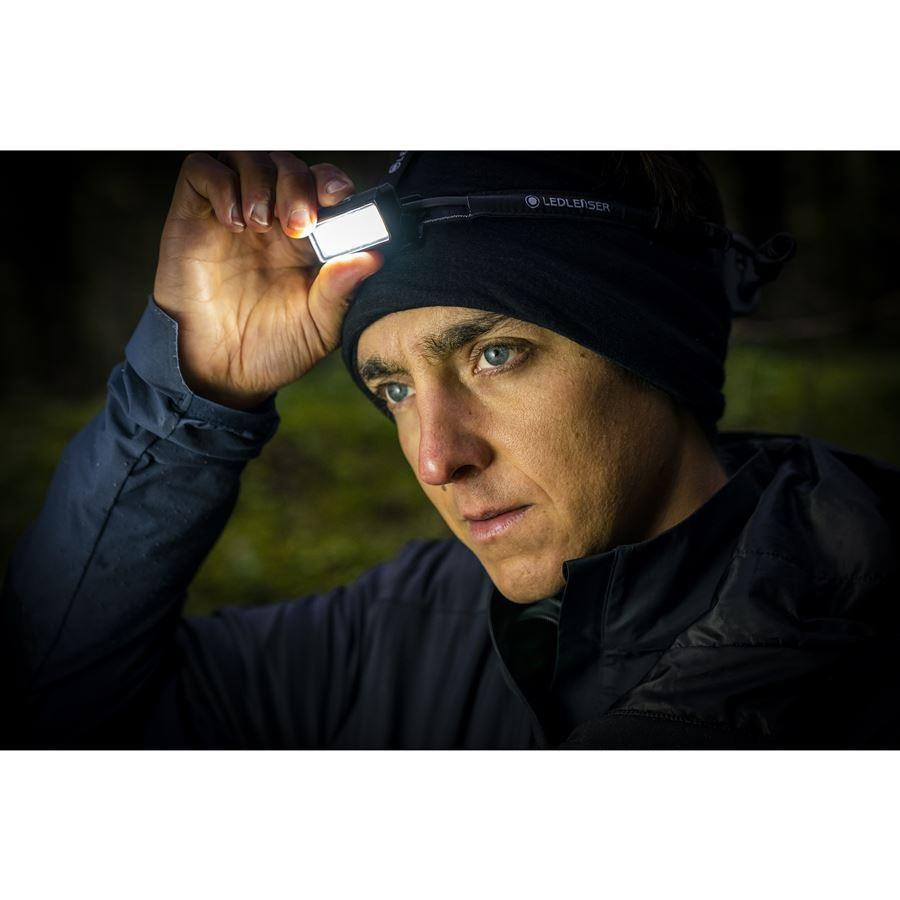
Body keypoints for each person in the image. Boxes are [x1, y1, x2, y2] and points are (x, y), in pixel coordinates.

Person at [4, 151, 899, 749]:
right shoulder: (392, 636)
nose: (436, 459)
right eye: (394, 389)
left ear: (654, 348)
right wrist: (195, 389)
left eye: (495, 356)